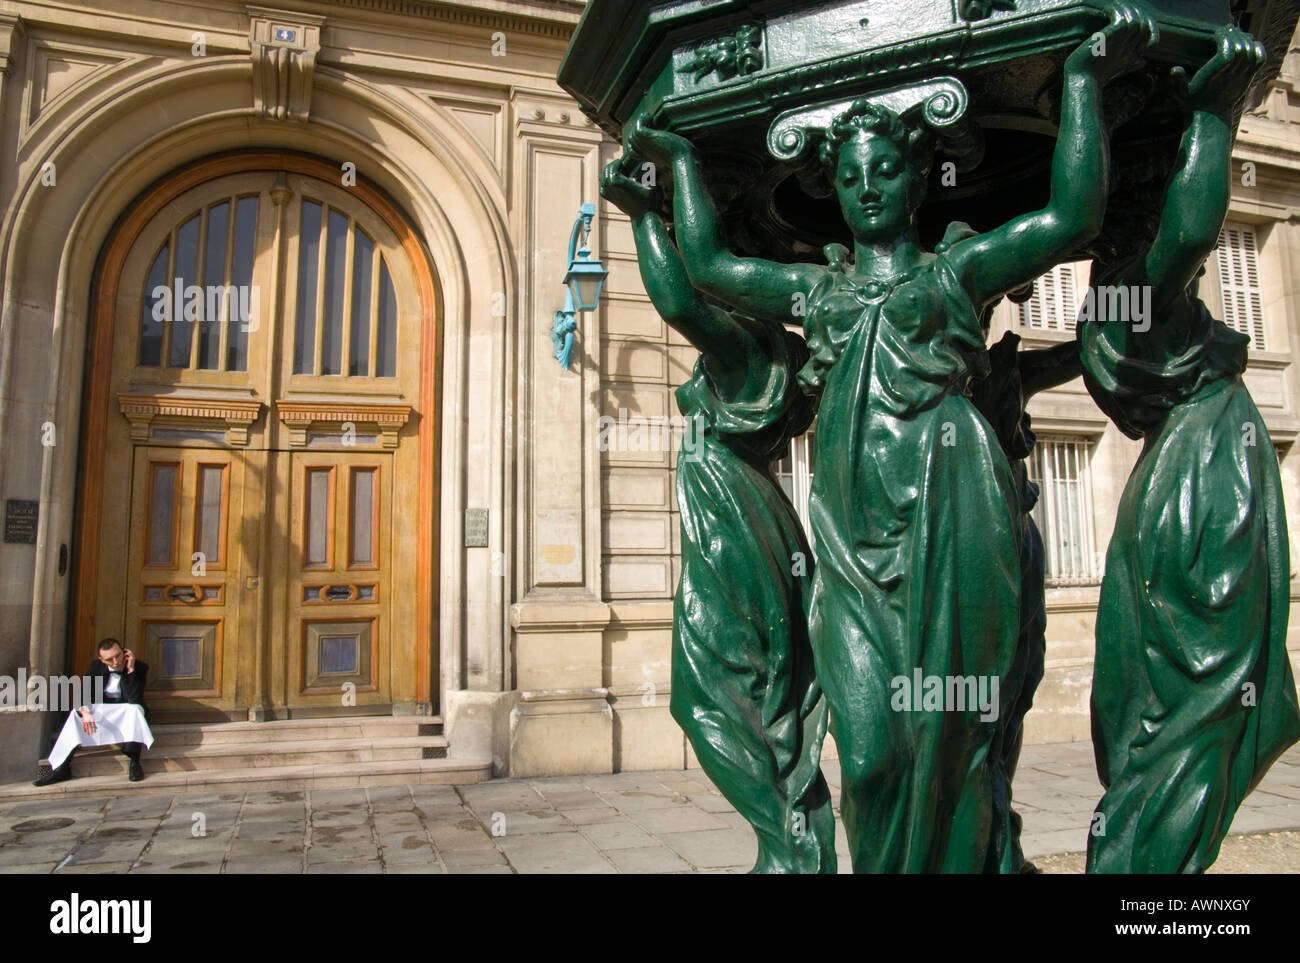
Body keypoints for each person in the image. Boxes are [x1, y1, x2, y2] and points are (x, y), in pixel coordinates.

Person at [629, 2, 1157, 871]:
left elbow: (1069, 217)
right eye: (850, 175)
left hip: (957, 524)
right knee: (870, 749)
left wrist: (1081, 83)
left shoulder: (957, 273)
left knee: (959, 731)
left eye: (884, 169)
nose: (867, 185)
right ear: (833, 189)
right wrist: (675, 172)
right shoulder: (819, 294)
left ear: (917, 179)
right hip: (852, 545)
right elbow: (706, 279)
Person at [1078, 26, 1300, 873]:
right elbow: (1180, 242)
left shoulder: (1127, 296)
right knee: (1171, 698)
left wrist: (1210, 125)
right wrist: (1205, 119)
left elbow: (1185, 239)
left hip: (1198, 467)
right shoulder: (1128, 298)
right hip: (1190, 467)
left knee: (1182, 698)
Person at [600, 156, 835, 872]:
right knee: (746, 692)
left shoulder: (749, 348)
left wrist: (641, 214)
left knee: (706, 699)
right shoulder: (767, 347)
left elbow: (679, 303)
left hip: (735, 518)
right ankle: (791, 838)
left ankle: (788, 845)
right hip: (743, 513)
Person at [34, 638, 149, 785]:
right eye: (109, 659)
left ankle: (134, 761)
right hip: (103, 708)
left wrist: (131, 670)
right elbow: (84, 693)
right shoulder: (96, 667)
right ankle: (62, 767)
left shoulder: (139, 667)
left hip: (124, 709)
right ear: (101, 659)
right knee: (75, 715)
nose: (115, 662)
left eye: (118, 656)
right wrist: (86, 712)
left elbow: (135, 698)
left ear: (124, 652)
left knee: (135, 710)